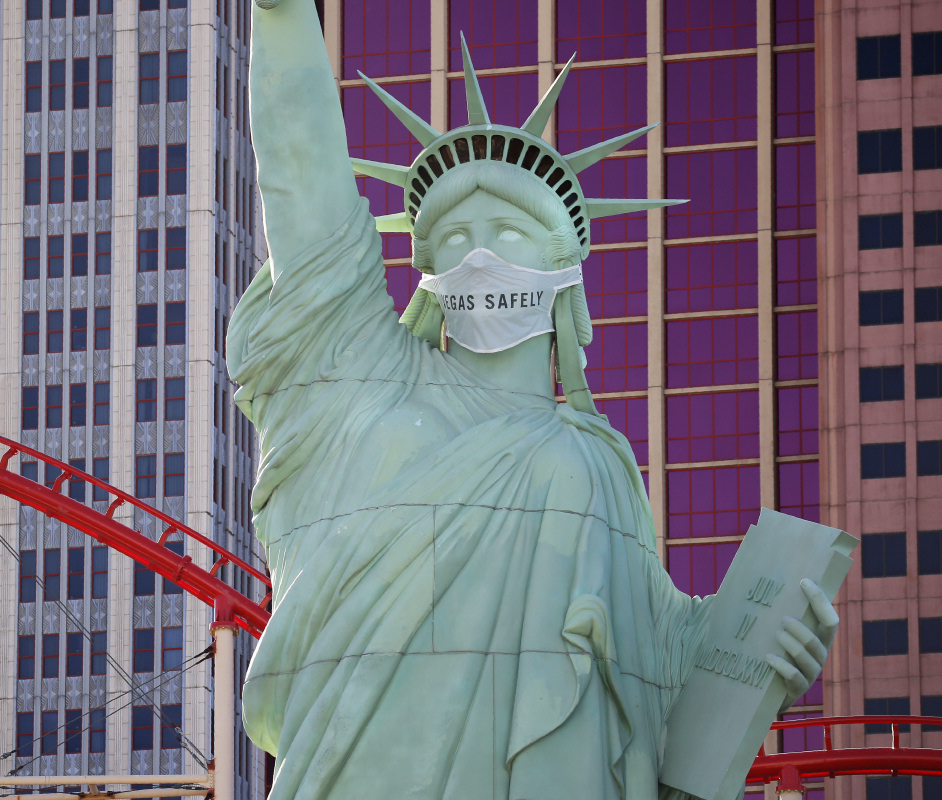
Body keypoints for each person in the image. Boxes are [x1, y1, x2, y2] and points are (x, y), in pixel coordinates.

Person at [227, 1, 838, 798]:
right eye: (454, 240)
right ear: (428, 272)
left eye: (509, 236)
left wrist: (763, 650)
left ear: (561, 272)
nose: (479, 257)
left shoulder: (599, 464)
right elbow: (300, 167)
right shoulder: (364, 378)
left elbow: (648, 661)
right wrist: (281, 17)